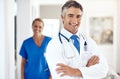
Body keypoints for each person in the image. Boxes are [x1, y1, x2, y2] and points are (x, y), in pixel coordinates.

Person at [45, 0, 108, 79]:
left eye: (78, 16)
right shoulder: (54, 45)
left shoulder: (89, 41)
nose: (75, 21)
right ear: (62, 17)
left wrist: (76, 71)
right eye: (70, 15)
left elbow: (103, 70)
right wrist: (87, 69)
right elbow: (62, 77)